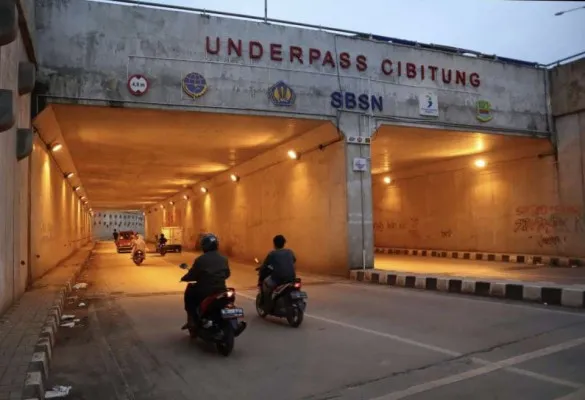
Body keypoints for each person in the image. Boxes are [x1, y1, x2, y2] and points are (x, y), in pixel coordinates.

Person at [180, 233, 230, 329]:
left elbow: (193, 274)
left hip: (205, 291)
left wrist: (185, 278)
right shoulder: (224, 259)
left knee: (190, 292)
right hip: (221, 290)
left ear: (204, 246)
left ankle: (192, 320)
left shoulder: (200, 260)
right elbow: (227, 274)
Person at [259, 235, 296, 310]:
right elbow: (294, 260)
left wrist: (261, 269)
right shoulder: (290, 252)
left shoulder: (272, 254)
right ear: (284, 243)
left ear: (274, 244)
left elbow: (265, 265)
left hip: (278, 279)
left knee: (265, 283)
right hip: (291, 278)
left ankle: (268, 305)